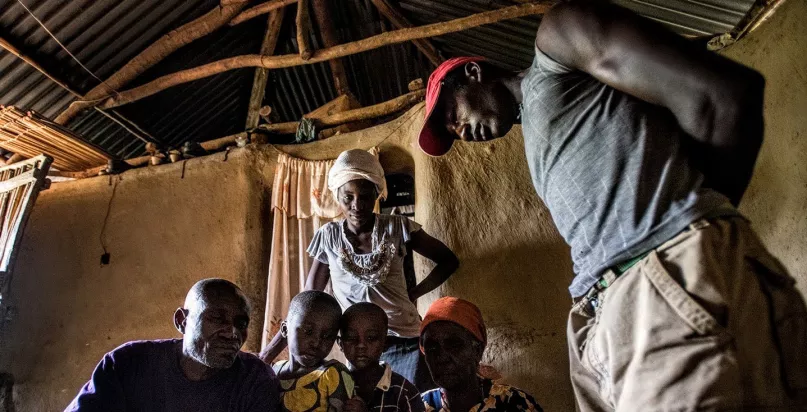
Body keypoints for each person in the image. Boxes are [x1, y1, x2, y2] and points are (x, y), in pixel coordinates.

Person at [417, 2, 807, 411]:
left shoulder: (557, 42)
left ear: (473, 73)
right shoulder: (538, 129)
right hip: (605, 314)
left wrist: (691, 230)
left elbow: (722, 96)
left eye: (451, 114)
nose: (459, 131)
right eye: (450, 132)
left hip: (658, 285)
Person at [263, 149, 460, 390]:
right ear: (337, 196)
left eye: (366, 196)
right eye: (348, 197)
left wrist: (414, 294)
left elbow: (448, 261)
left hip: (404, 339)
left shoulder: (398, 228)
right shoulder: (329, 237)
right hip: (358, 347)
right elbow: (307, 304)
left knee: (408, 402)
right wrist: (267, 355)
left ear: (377, 194)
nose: (357, 205)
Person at [65, 278, 280, 412]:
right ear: (182, 321)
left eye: (240, 324)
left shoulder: (255, 380)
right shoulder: (127, 364)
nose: (232, 333)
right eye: (217, 318)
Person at [419, 297, 543, 412]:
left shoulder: (514, 403)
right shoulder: (419, 406)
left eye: (453, 345)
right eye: (432, 348)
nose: (442, 357)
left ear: (477, 351)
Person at [273, 290, 354, 412]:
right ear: (285, 329)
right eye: (308, 332)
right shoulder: (274, 371)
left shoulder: (332, 373)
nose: (316, 343)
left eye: (327, 336)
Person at [339, 302, 424, 412]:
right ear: (341, 344)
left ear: (386, 343)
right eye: (351, 338)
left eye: (371, 338)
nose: (361, 345)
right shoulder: (334, 385)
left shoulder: (404, 392)